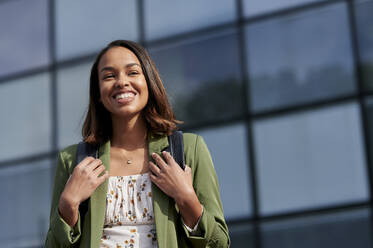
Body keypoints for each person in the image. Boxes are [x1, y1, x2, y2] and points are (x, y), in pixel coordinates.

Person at [45, 40, 230, 248]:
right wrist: (68, 205)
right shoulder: (73, 160)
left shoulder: (189, 149)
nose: (121, 82)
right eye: (109, 76)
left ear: (148, 81)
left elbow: (219, 243)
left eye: (132, 73)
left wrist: (186, 198)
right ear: (98, 92)